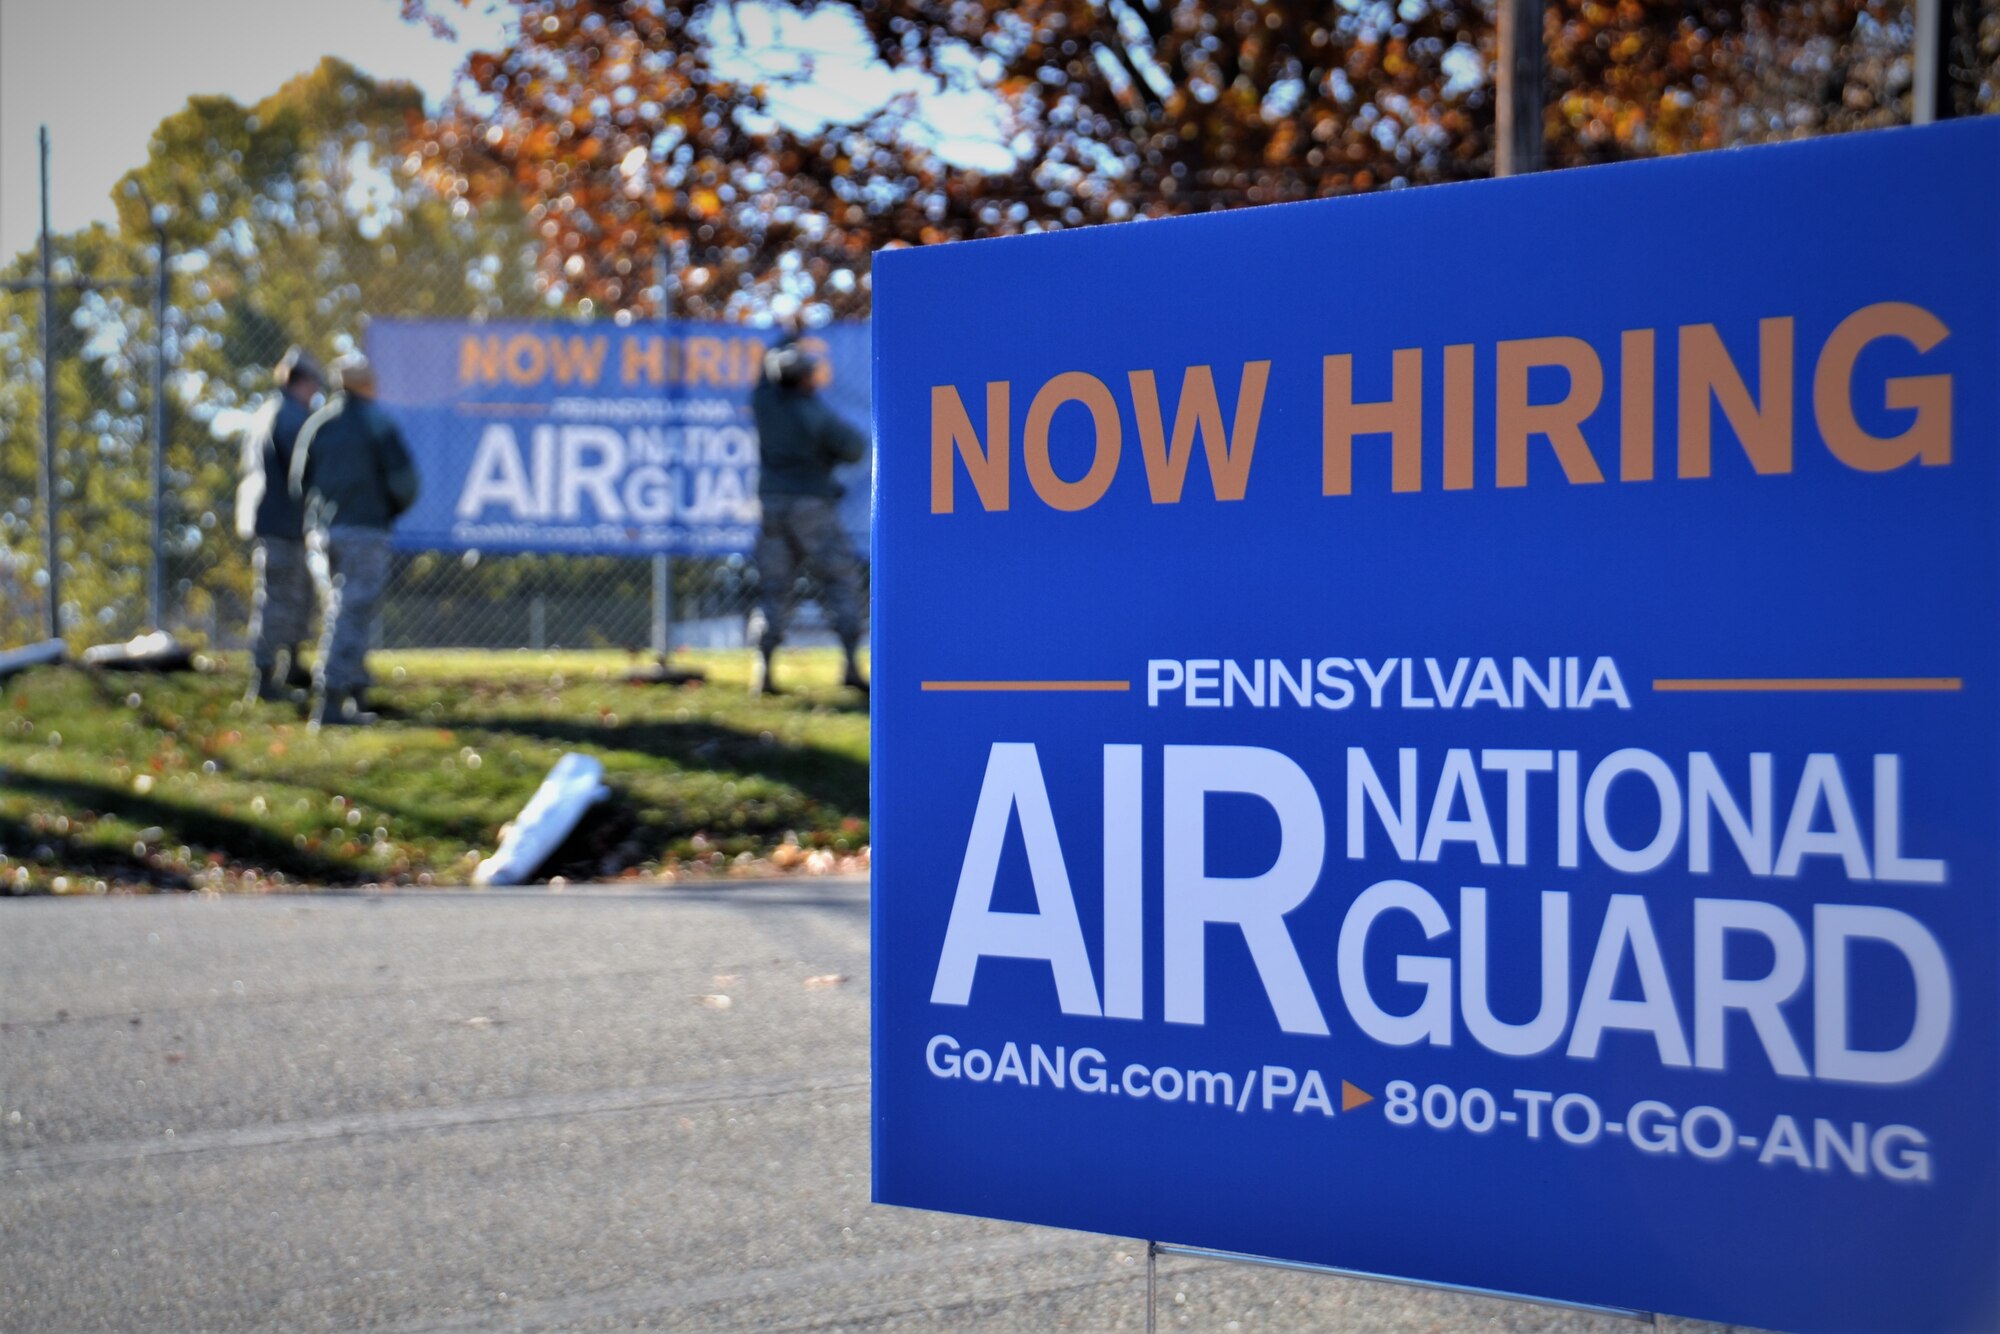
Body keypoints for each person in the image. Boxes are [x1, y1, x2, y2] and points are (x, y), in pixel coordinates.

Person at [289, 354, 418, 729]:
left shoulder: (318, 423)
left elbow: (299, 482)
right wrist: (384, 509)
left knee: (344, 610)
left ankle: (355, 693)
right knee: (351, 613)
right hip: (365, 531)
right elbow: (406, 484)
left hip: (323, 532)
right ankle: (329, 700)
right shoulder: (378, 423)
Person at [748, 337, 868, 696]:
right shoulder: (814, 414)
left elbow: (763, 374)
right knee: (840, 581)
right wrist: (824, 458)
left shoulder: (764, 403)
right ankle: (850, 663)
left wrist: (785, 338)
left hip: (772, 504)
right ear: (802, 380)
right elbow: (855, 448)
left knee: (773, 588)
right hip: (811, 505)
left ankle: (763, 671)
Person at [235, 346, 322, 704]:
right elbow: (302, 469)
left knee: (297, 596)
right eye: (314, 385)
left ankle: (291, 666)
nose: (316, 393)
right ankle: (265, 678)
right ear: (301, 382)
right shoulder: (288, 417)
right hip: (281, 522)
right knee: (277, 599)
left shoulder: (270, 411)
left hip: (285, 521)